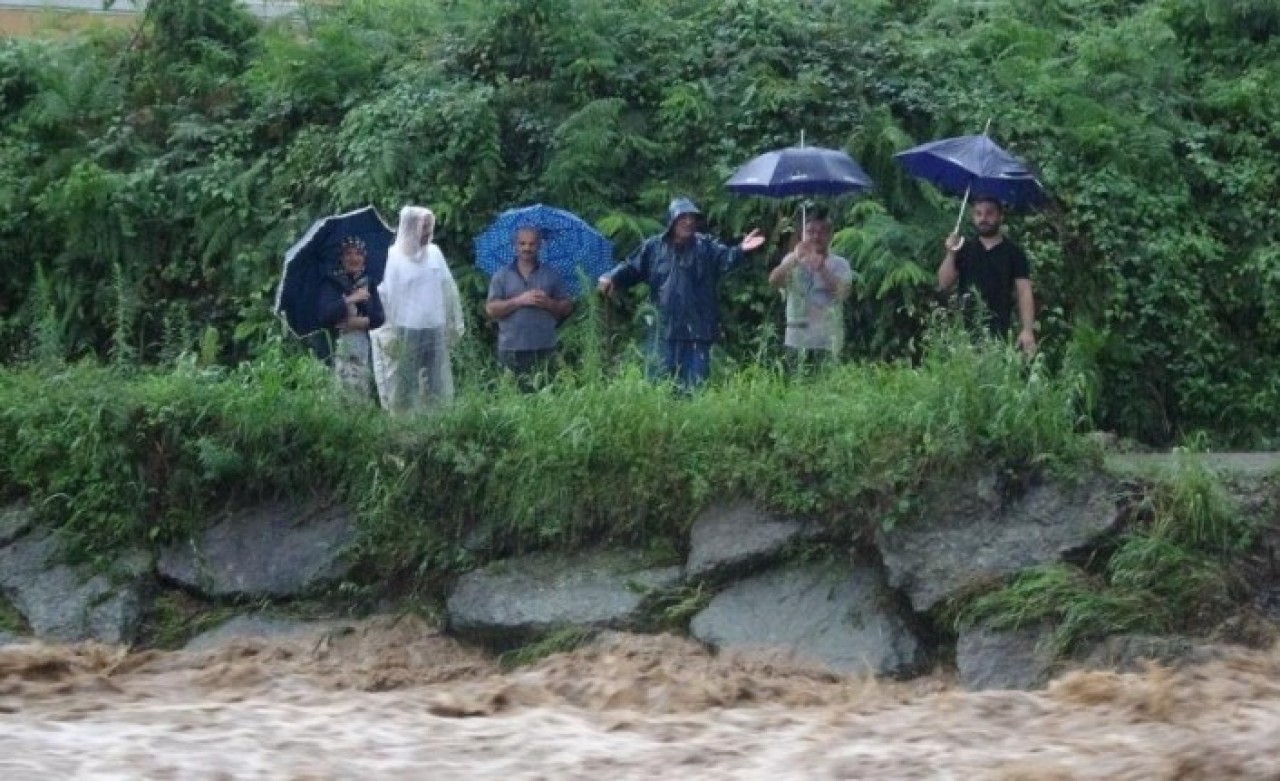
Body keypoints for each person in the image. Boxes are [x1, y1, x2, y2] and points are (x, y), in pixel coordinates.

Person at [597, 197, 764, 392]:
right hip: (662, 330)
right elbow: (630, 268)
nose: (688, 222)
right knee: (657, 388)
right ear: (672, 220)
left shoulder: (706, 246)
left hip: (697, 330)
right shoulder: (653, 247)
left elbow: (726, 257)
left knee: (694, 389)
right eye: (683, 217)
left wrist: (741, 250)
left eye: (692, 217)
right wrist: (611, 277)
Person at [372, 206, 466, 414]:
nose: (427, 233)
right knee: (404, 386)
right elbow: (383, 298)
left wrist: (452, 321)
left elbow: (447, 288)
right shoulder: (392, 258)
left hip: (434, 328)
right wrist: (387, 332)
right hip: (404, 330)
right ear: (409, 227)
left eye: (430, 227)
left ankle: (438, 421)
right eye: (424, 227)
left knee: (437, 384)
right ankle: (405, 426)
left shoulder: (434, 253)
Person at [937, 196, 1036, 353]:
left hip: (1000, 331)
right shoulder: (964, 249)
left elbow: (1024, 292)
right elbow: (943, 283)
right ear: (973, 217)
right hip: (964, 332)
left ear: (1000, 217)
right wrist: (951, 253)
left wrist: (1027, 330)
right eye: (978, 213)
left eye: (989, 213)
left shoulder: (1014, 253)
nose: (983, 218)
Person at [484, 227, 573, 387]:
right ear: (515, 245)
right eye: (522, 243)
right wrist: (519, 301)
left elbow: (567, 308)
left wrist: (548, 303)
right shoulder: (501, 275)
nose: (527, 248)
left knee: (547, 395)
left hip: (545, 347)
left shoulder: (551, 274)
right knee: (512, 396)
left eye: (532, 244)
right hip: (511, 348)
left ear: (539, 245)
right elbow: (491, 309)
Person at [767, 213, 853, 367]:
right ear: (802, 234)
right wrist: (795, 259)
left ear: (830, 235)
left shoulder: (840, 264)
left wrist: (822, 268)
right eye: (810, 231)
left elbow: (843, 293)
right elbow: (773, 281)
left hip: (828, 341)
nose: (815, 236)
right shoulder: (791, 260)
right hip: (796, 339)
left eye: (821, 232)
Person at [316, 236, 385, 397]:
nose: (354, 258)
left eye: (358, 253)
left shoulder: (368, 283)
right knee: (341, 394)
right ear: (341, 258)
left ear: (364, 257)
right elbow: (324, 315)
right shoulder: (331, 283)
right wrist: (350, 299)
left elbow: (379, 317)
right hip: (336, 347)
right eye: (348, 254)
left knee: (362, 392)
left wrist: (360, 322)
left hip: (363, 348)